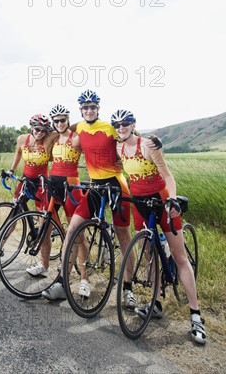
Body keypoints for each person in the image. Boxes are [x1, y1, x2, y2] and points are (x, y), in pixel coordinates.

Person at [111, 108, 206, 345]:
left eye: (125, 123)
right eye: (117, 125)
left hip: (162, 202)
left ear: (133, 124)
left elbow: (168, 176)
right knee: (149, 254)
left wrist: (172, 199)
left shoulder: (148, 146)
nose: (121, 127)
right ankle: (155, 303)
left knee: (180, 256)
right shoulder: (118, 147)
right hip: (139, 205)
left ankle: (195, 315)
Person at [42, 90, 137, 307]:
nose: (89, 110)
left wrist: (151, 140)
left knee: (124, 236)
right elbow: (63, 130)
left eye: (92, 106)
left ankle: (128, 288)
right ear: (80, 110)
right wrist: (47, 131)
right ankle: (61, 283)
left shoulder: (110, 127)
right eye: (85, 107)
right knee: (73, 230)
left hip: (116, 185)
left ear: (98, 108)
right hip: (95, 186)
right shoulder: (80, 127)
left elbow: (130, 136)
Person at [26, 105, 87, 293]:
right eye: (57, 120)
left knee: (77, 232)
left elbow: (91, 138)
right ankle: (44, 266)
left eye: (63, 120)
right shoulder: (51, 138)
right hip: (53, 185)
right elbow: (33, 140)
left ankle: (84, 278)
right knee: (45, 226)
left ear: (68, 119)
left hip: (71, 186)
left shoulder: (76, 138)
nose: (60, 123)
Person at [0, 114, 54, 264]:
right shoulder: (22, 139)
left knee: (43, 220)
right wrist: (12, 170)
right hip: (26, 180)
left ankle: (42, 259)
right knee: (14, 213)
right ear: (31, 127)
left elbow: (61, 132)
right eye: (37, 129)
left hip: (41, 183)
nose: (39, 132)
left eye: (43, 130)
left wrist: (51, 129)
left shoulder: (47, 140)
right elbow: (19, 152)